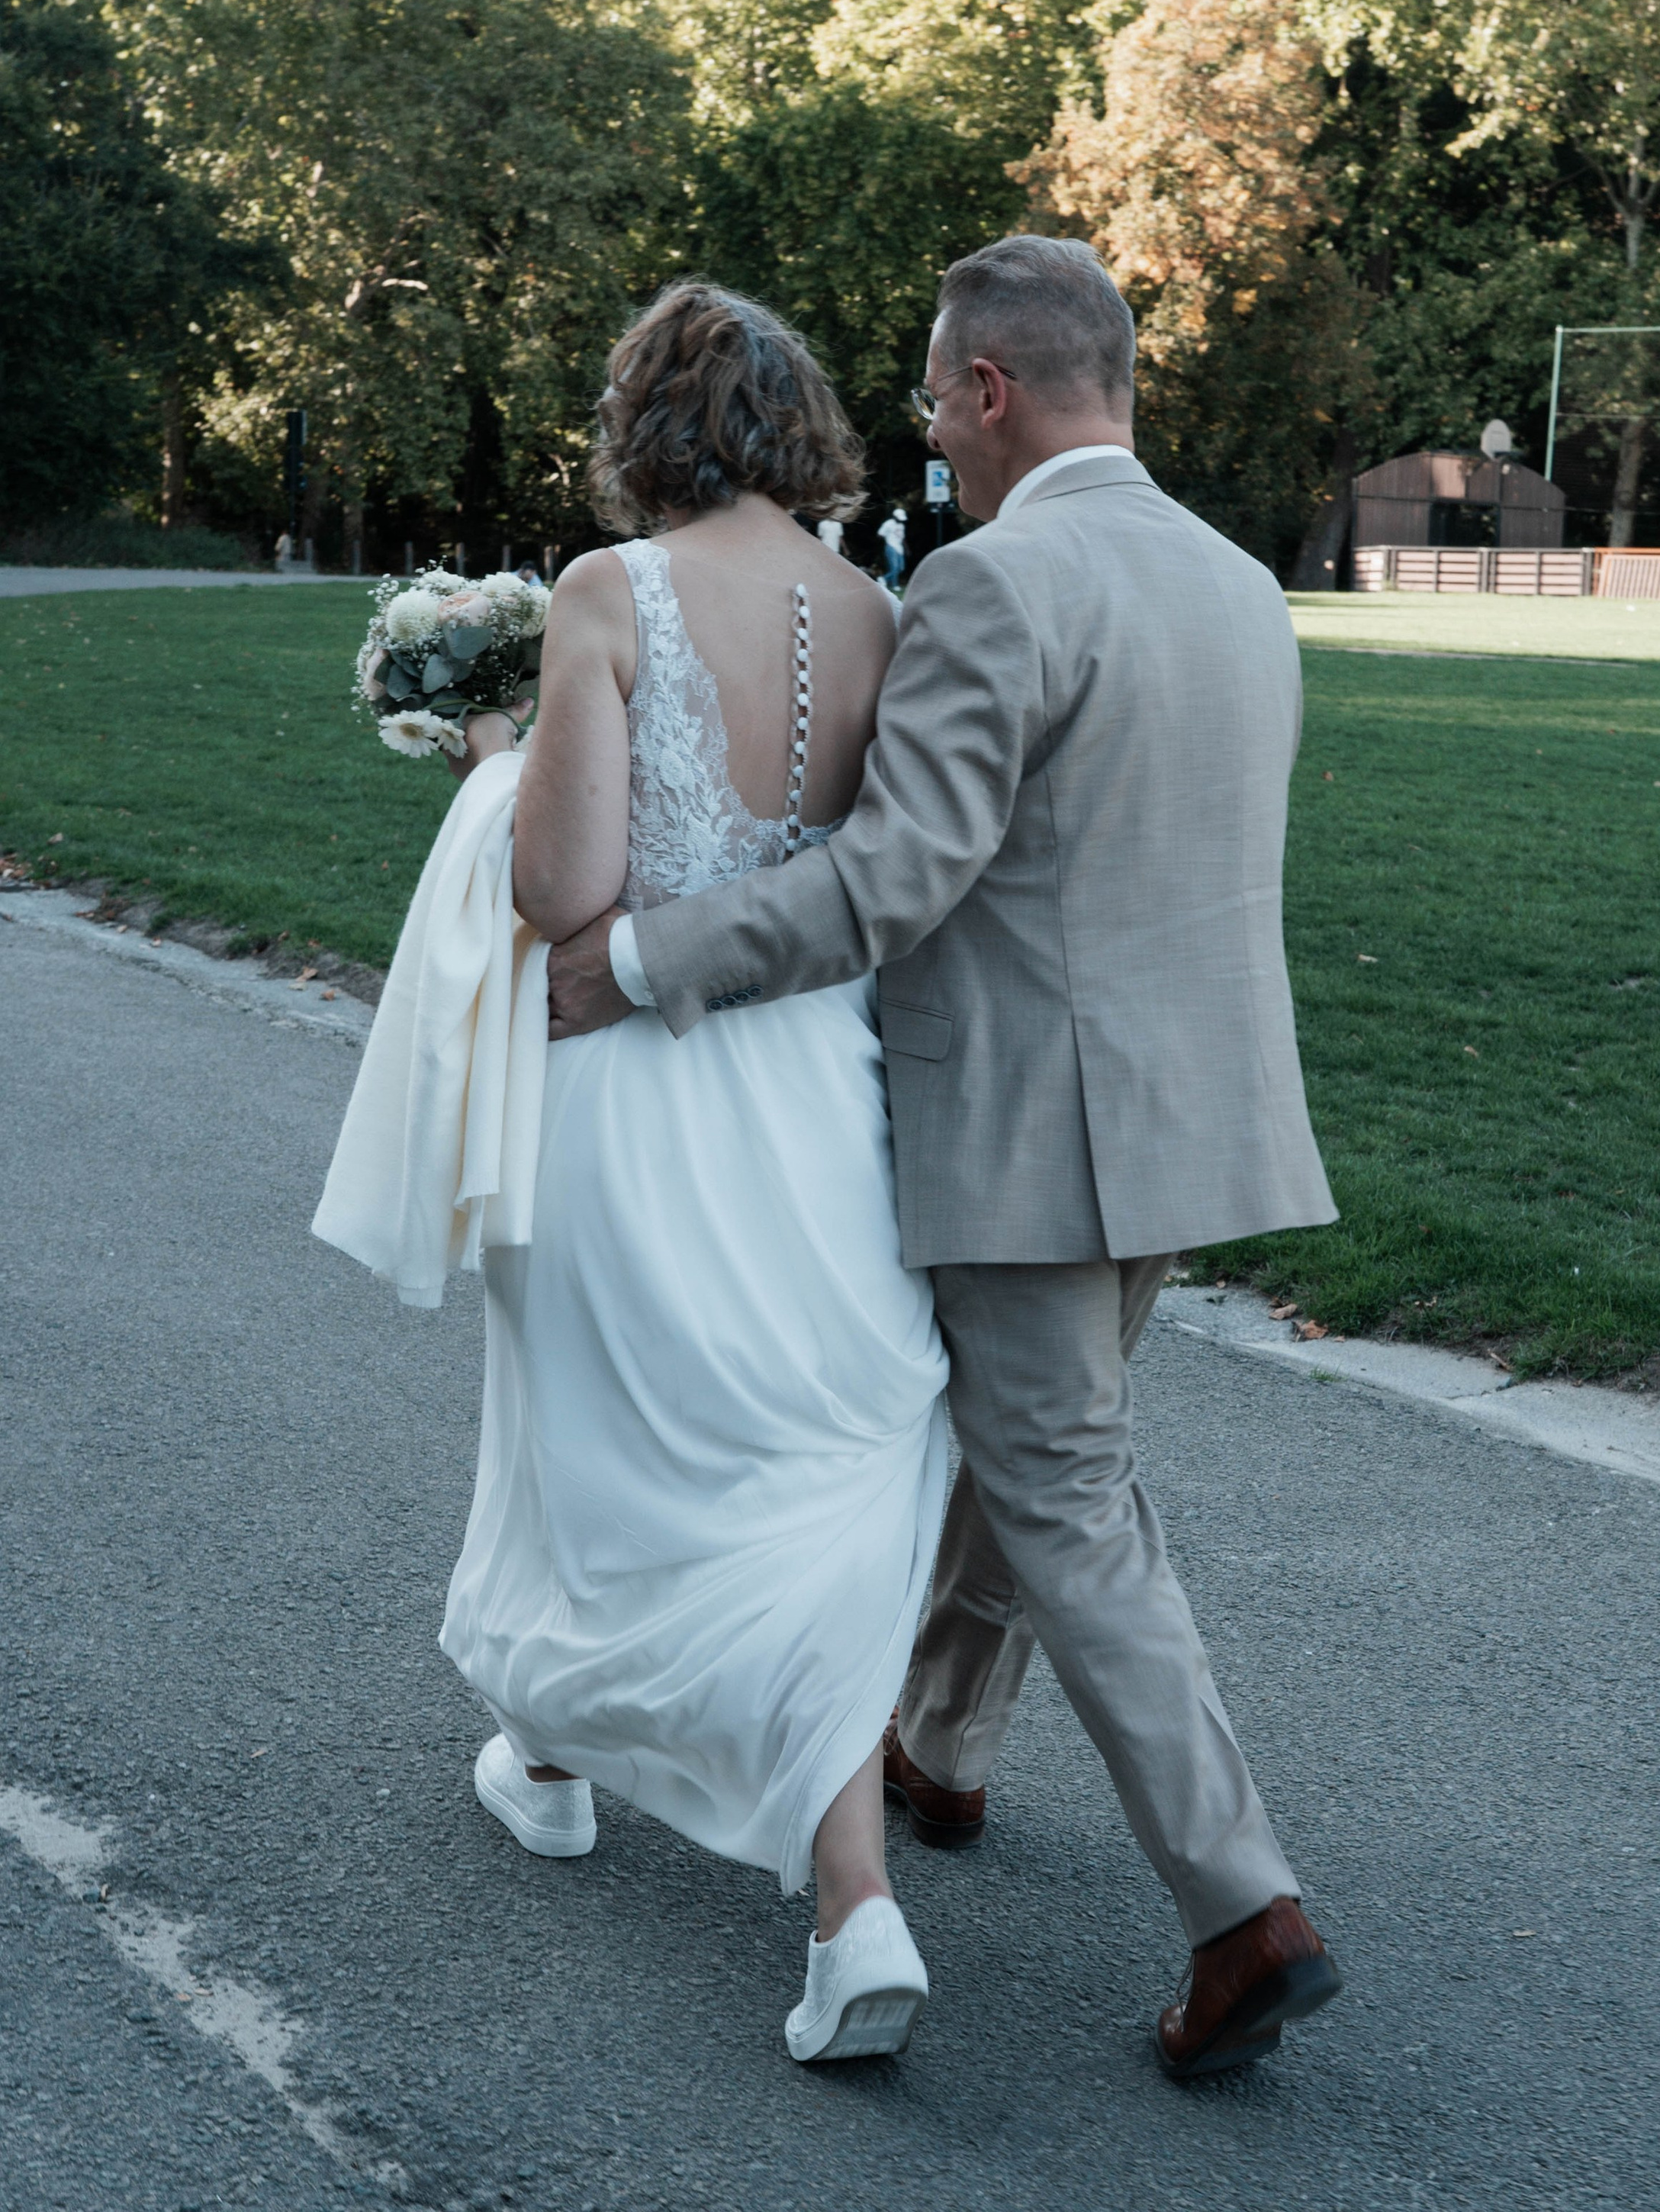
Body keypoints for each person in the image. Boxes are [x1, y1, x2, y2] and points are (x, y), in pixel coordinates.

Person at [549, 235, 1345, 2080]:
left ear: (988, 390)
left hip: (1033, 1131)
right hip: (1200, 1120)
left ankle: (1244, 1907)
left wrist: (647, 961)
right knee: (1024, 1447)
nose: (928, 436)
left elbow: (895, 876)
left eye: (930, 400)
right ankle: (944, 1748)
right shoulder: (1234, 578)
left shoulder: (996, 579)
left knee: (1063, 1490)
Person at [437, 285, 950, 2063]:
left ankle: (552, 1757)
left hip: (631, 1089)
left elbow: (559, 891)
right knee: (802, 1461)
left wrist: (488, 763)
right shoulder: (876, 611)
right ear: (799, 421)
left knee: (596, 1440)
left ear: (641, 419)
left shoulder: (609, 592)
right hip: (816, 1096)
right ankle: (849, 1904)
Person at [877, 503, 906, 593]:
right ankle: (894, 585)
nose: (900, 520)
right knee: (895, 568)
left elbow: (902, 538)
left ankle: (883, 579)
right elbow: (880, 534)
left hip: (899, 548)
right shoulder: (888, 524)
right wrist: (888, 539)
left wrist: (907, 549)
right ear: (894, 517)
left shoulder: (902, 525)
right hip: (891, 547)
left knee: (901, 568)